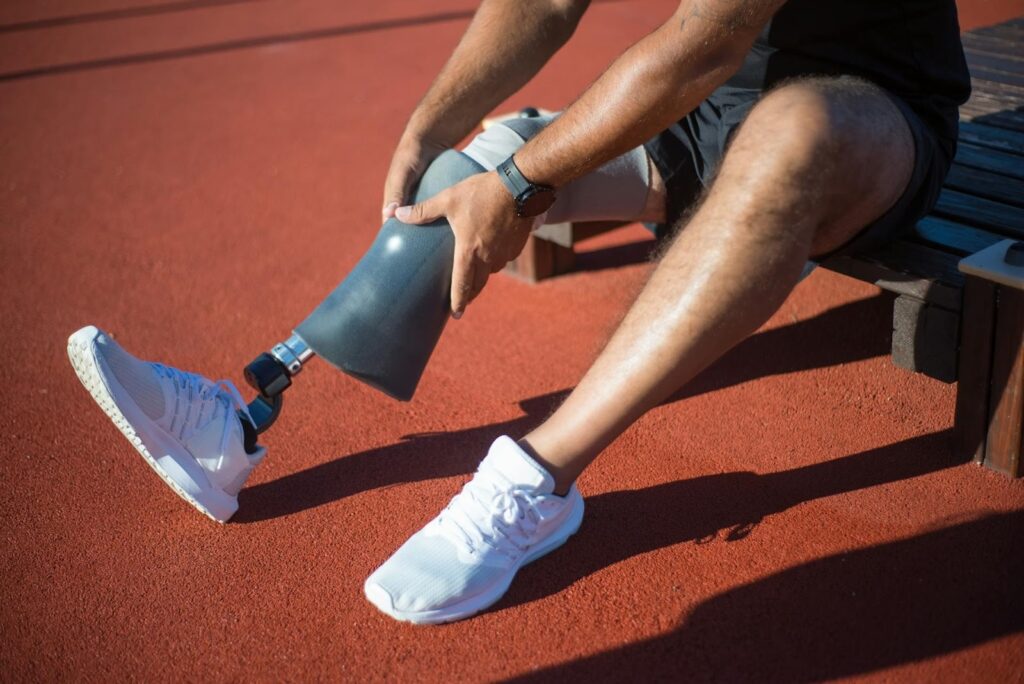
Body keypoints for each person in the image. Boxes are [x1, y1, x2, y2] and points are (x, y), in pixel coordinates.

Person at [68, 0, 969, 624]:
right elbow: (541, 5)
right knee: (470, 165)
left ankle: (535, 483)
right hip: (707, 111)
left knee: (787, 136)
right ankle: (246, 408)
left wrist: (523, 185)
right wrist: (432, 132)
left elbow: (704, 43)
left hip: (867, 119)